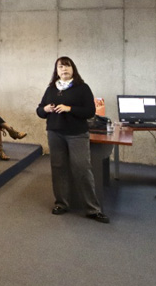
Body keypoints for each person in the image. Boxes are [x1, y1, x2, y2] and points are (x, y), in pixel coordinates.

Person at [36, 57, 109, 224]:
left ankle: (93, 209)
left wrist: (69, 109)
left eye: (67, 66)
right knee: (58, 168)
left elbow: (90, 111)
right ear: (56, 70)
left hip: (77, 134)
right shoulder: (51, 89)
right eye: (60, 67)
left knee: (82, 168)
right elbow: (40, 110)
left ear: (73, 69)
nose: (64, 69)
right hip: (55, 133)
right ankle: (62, 203)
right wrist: (45, 109)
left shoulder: (82, 88)